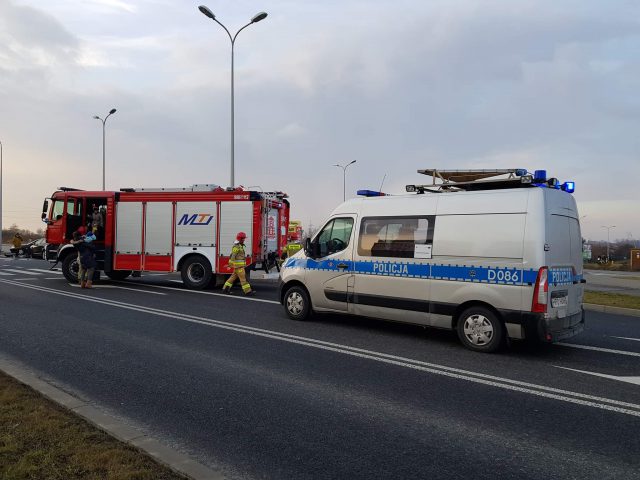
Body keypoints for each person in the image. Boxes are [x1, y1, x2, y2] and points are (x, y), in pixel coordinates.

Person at [222, 231, 255, 296]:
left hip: (238, 267)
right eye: (243, 238)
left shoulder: (239, 245)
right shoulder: (237, 246)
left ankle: (225, 289)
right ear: (240, 239)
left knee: (232, 278)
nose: (244, 240)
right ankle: (248, 292)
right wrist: (230, 264)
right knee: (243, 279)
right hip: (239, 267)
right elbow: (233, 256)